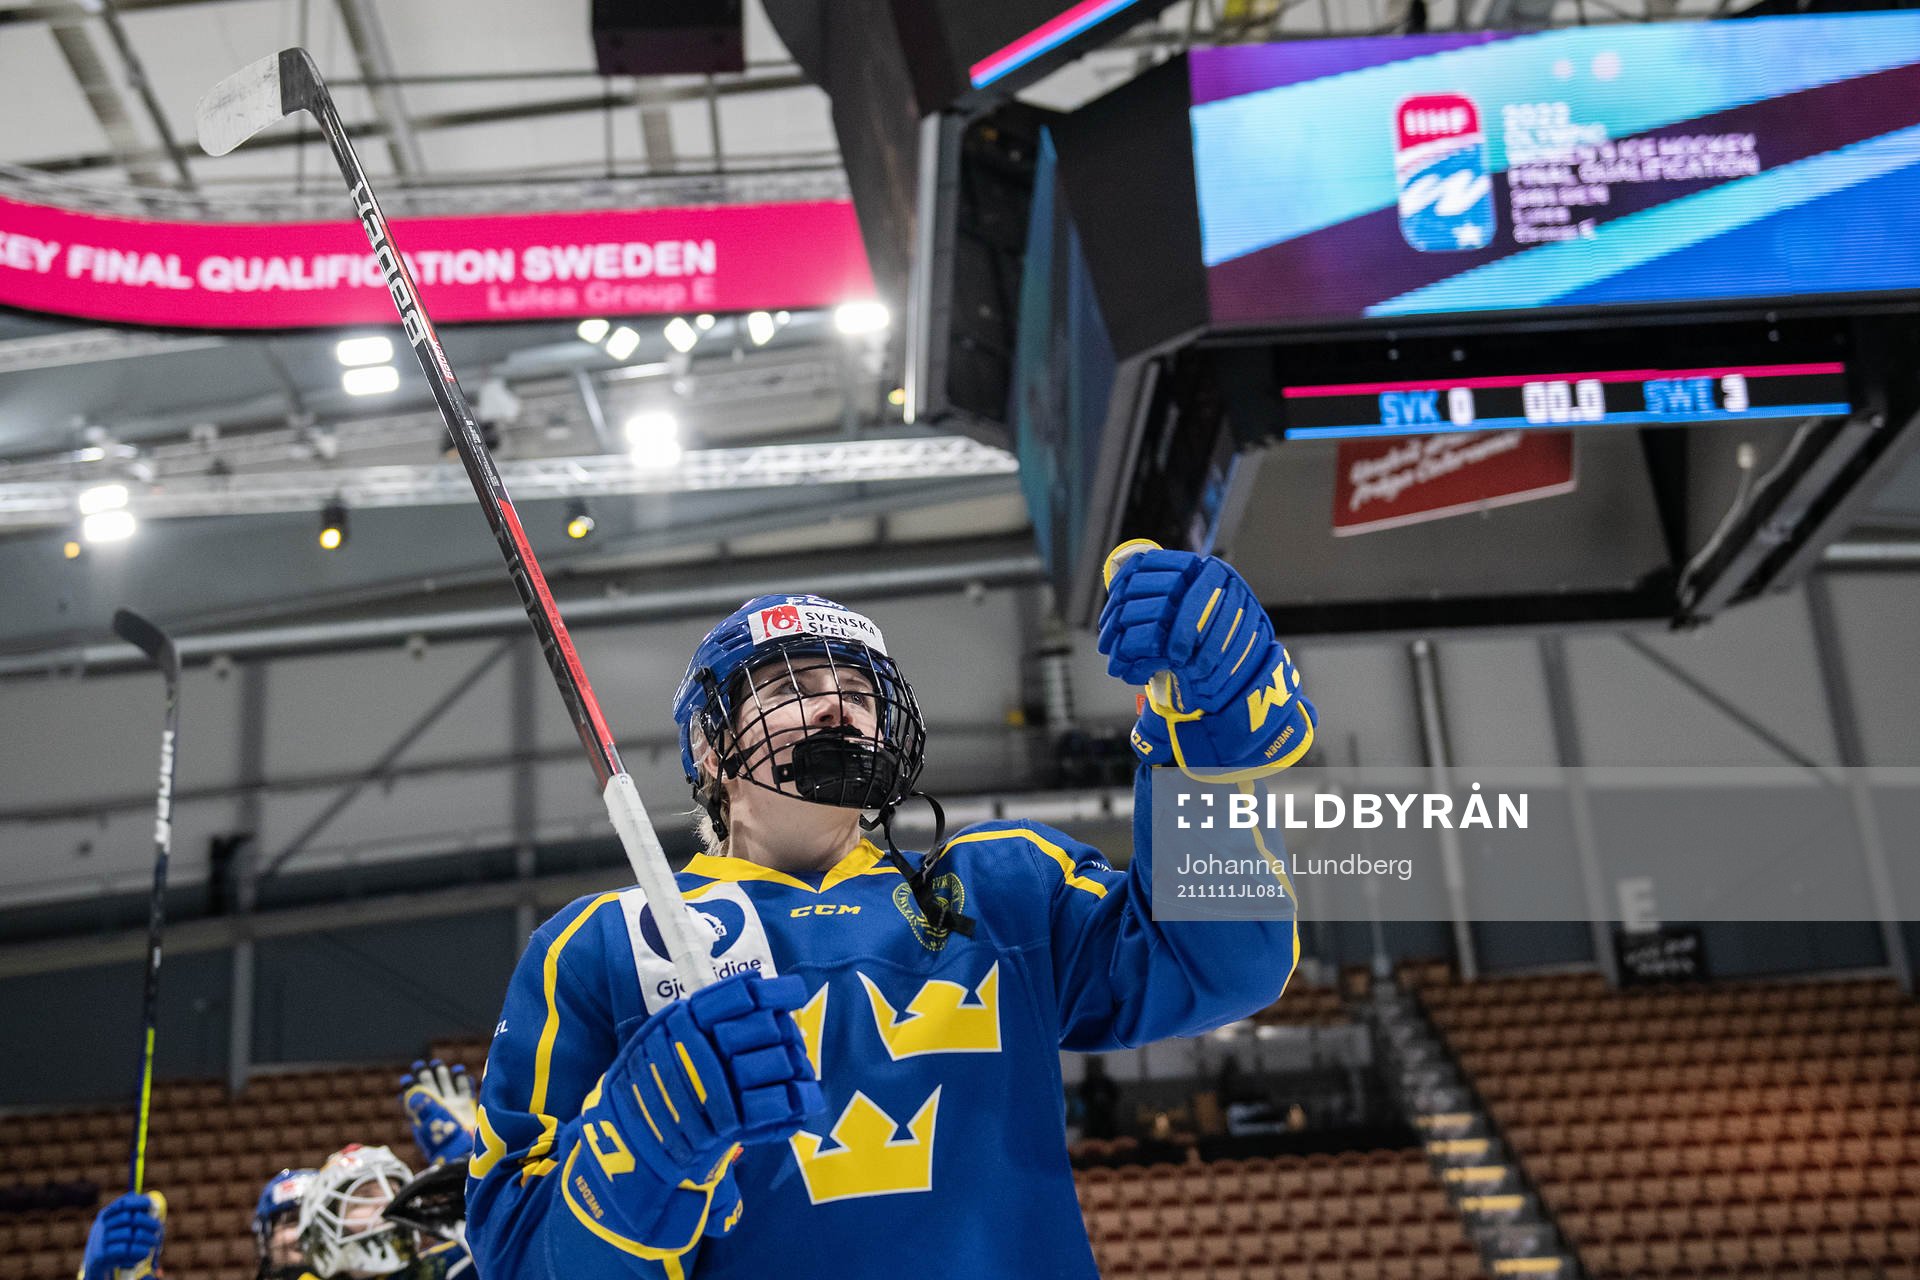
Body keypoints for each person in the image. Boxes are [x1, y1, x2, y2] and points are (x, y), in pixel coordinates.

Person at [467, 544, 1315, 1277]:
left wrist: (1208, 751)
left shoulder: (1002, 886)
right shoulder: (601, 944)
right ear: (708, 744)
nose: (839, 703)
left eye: (860, 692)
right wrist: (638, 1141)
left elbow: (1226, 966)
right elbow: (520, 1256)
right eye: (797, 683)